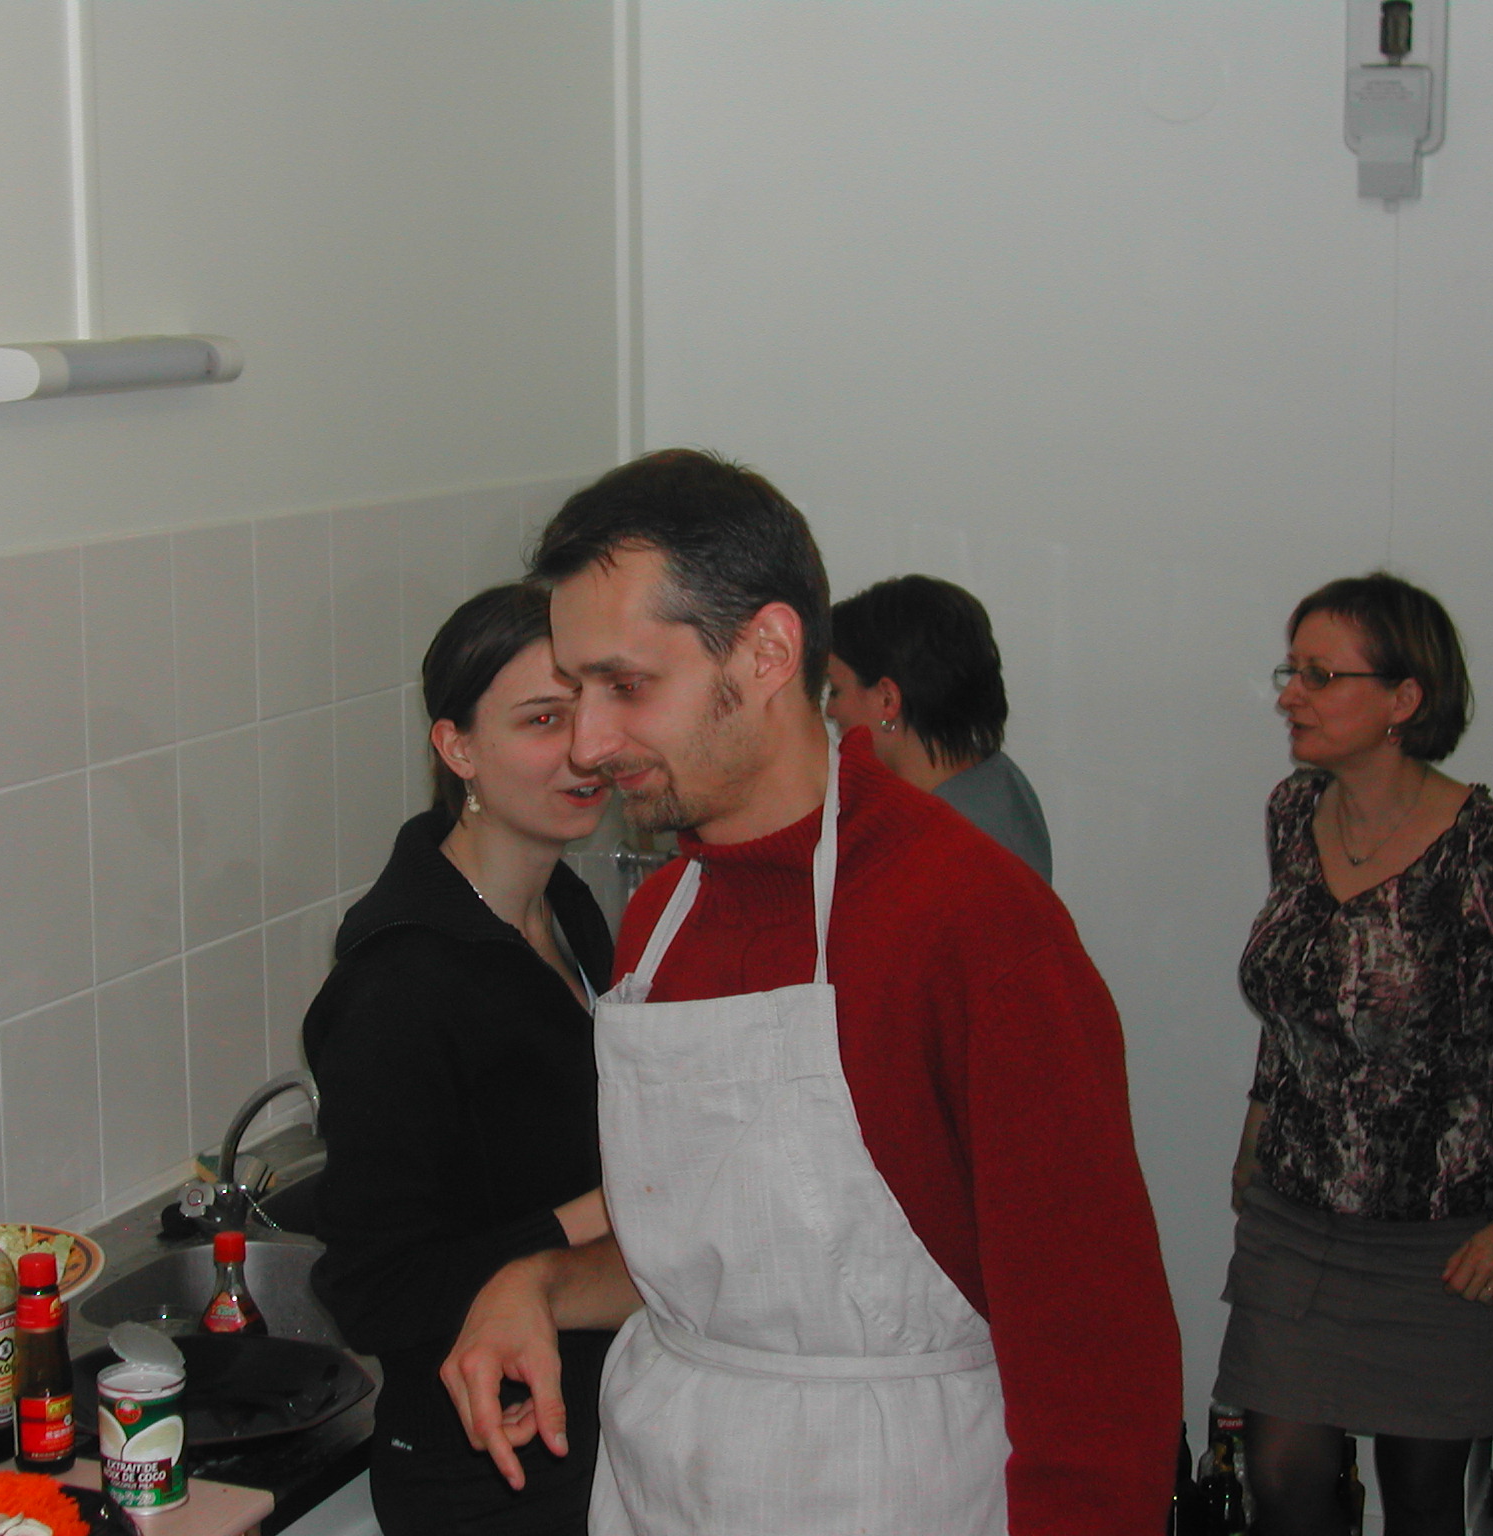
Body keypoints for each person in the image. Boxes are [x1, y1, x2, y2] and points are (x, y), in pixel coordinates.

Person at [440, 450, 1181, 1535]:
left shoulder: (970, 925)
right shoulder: (665, 918)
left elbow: (1095, 1355)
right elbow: (722, 1264)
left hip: (889, 1491)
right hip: (663, 1489)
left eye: (625, 686)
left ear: (768, 652)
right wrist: (543, 1285)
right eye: (573, 690)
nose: (589, 747)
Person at [1220, 573, 1493, 1536]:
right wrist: (1258, 1119)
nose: (1292, 695)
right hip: (1297, 1217)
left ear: (1404, 699)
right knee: (1281, 1483)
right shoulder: (1293, 813)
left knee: (1419, 1500)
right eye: (1292, 671)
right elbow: (1304, 995)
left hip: (1444, 1240)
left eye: (1321, 675)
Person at [305, 583, 619, 1536]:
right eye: (542, 719)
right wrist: (598, 1213)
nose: (587, 747)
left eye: (596, 706)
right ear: (458, 747)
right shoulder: (400, 980)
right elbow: (375, 1292)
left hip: (593, 1427)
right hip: (483, 1473)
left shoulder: (566, 909)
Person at [827, 573, 1053, 881]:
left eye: (836, 690)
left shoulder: (947, 843)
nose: (830, 710)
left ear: (887, 699)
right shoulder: (1000, 779)